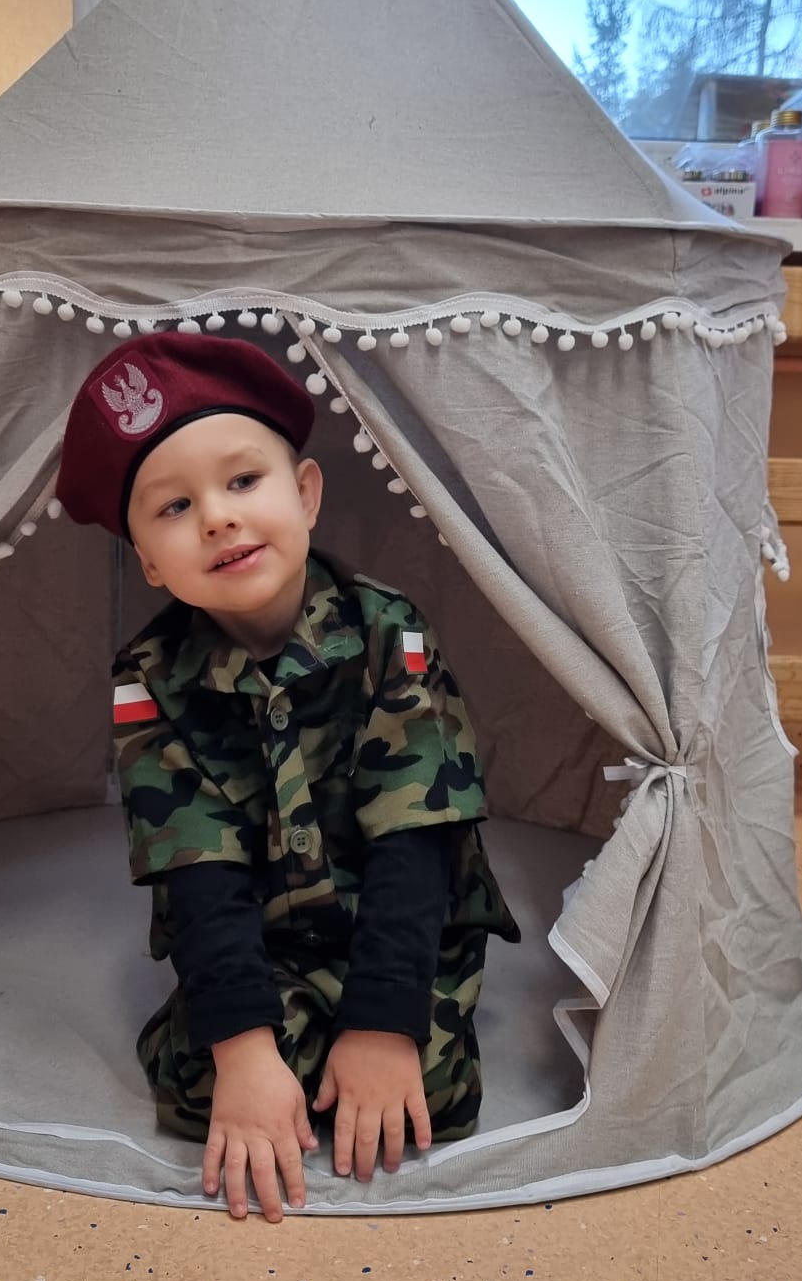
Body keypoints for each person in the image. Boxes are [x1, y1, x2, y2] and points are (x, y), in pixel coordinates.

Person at [56, 331, 518, 1222]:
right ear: (148, 561)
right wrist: (244, 1050)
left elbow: (418, 840)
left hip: (397, 921)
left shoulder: (388, 633)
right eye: (174, 506)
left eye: (242, 481)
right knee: (203, 1084)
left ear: (305, 495)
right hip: (265, 939)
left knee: (432, 1087)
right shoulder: (148, 679)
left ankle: (372, 1032)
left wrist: (382, 1023)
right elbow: (198, 873)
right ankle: (272, 1049)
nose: (217, 519)